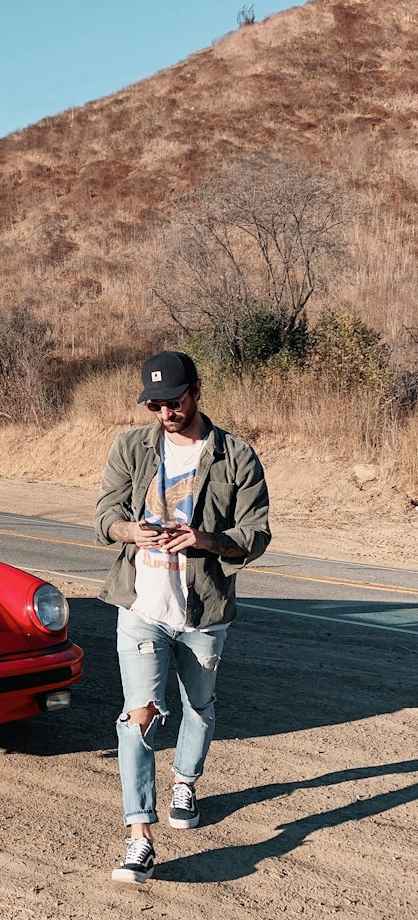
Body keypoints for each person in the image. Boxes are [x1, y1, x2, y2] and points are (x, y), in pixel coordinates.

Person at [94, 350, 270, 884]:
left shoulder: (236, 456)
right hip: (142, 607)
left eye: (173, 401)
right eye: (154, 404)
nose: (164, 413)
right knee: (139, 717)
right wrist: (131, 531)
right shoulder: (131, 447)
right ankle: (138, 837)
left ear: (196, 390)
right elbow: (104, 516)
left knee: (199, 707)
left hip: (204, 612)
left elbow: (256, 535)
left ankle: (186, 782)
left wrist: (206, 540)